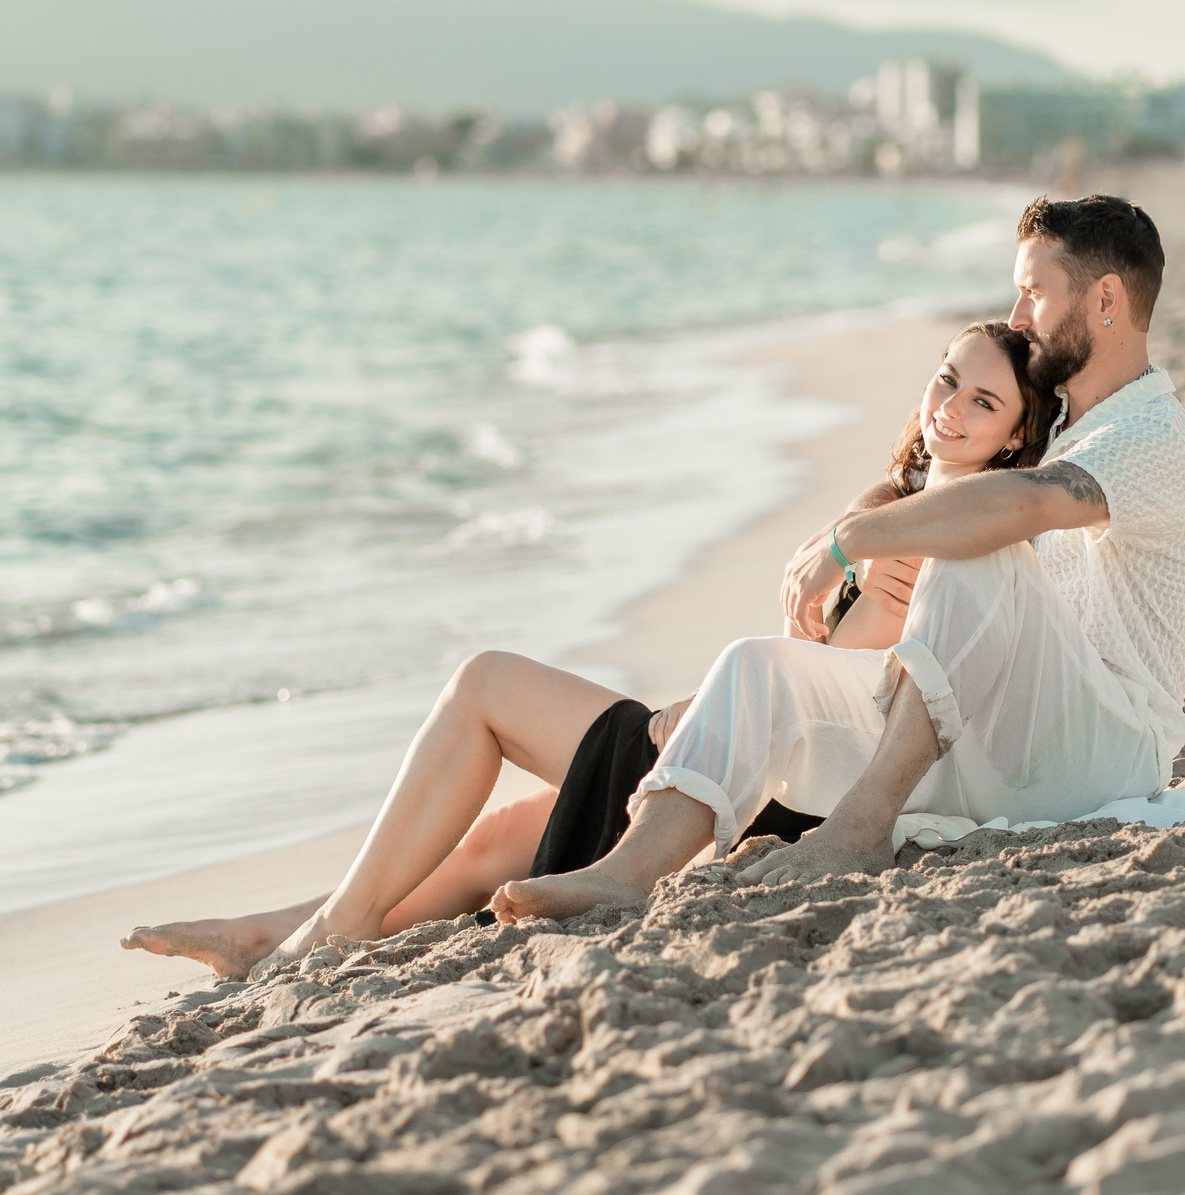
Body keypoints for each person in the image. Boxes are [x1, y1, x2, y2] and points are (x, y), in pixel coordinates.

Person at [120, 319, 1057, 979]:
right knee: (496, 838)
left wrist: (708, 703)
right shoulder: (896, 512)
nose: (951, 408)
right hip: (748, 758)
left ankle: (324, 925)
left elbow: (833, 697)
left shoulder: (924, 540)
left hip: (776, 804)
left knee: (485, 686)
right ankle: (293, 926)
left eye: (984, 401)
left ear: (1017, 432)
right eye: (946, 378)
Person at [491, 193, 1185, 923]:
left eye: (1034, 292)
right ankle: (627, 869)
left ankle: (859, 828)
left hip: (1103, 750)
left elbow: (1023, 506)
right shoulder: (1054, 419)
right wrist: (863, 520)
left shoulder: (1150, 433)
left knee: (977, 547)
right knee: (755, 665)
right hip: (996, 741)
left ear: (1106, 299)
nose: (1019, 315)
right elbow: (927, 482)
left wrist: (850, 541)